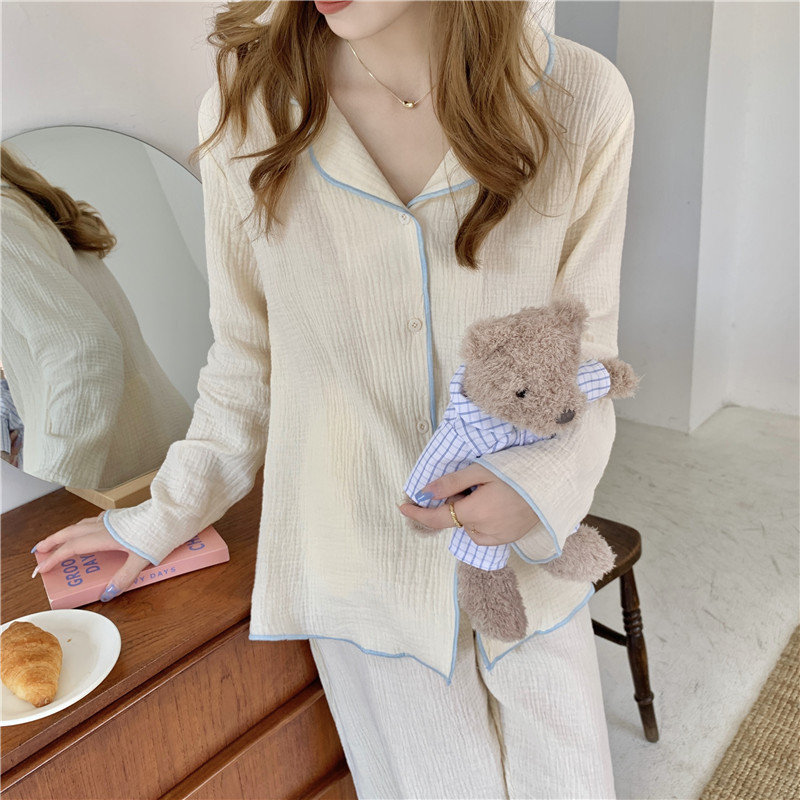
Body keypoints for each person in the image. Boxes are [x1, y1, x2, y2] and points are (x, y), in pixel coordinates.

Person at [34, 2, 634, 797]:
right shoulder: (250, 114)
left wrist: (537, 488)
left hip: (530, 570)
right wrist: (160, 516)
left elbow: (587, 359)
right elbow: (247, 362)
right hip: (362, 570)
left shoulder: (582, 99)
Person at [1, 148, 193, 489]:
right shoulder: (20, 205)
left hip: (116, 478)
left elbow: (84, 351)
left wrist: (54, 489)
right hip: (155, 457)